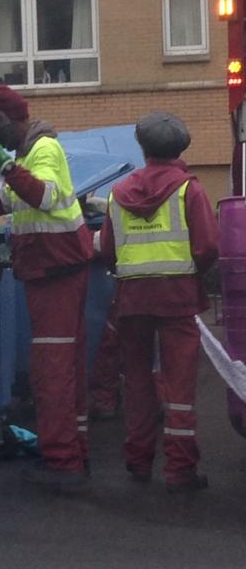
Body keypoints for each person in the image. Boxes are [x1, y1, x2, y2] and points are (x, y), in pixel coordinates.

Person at [0, 86, 94, 490]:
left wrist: (5, 166)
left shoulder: (43, 149)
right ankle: (74, 451)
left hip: (54, 268)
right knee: (67, 363)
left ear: (13, 121)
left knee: (52, 368)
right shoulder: (28, 155)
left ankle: (62, 462)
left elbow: (43, 195)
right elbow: (14, 203)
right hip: (57, 266)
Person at [99, 111, 218, 492]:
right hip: (178, 297)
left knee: (137, 382)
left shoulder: (118, 193)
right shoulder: (189, 190)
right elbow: (207, 246)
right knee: (179, 386)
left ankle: (138, 461)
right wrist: (191, 273)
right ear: (180, 148)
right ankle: (180, 470)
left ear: (143, 147)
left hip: (132, 298)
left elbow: (108, 251)